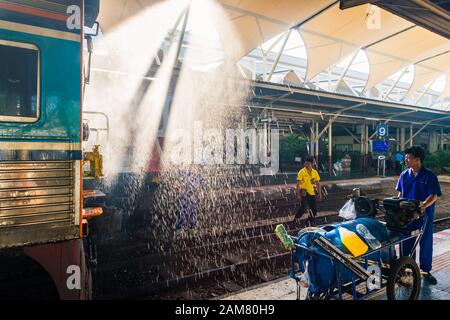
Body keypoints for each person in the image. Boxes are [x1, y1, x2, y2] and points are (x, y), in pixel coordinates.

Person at [396, 146, 442, 285]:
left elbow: (434, 195)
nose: (406, 160)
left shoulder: (429, 175)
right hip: (407, 217)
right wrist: (397, 207)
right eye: (405, 158)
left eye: (408, 158)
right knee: (406, 242)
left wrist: (421, 207)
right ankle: (407, 271)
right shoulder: (404, 175)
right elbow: (400, 194)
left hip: (424, 215)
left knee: (425, 243)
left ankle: (425, 271)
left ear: (417, 159)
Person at [175, 166, 206, 235]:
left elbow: (202, 187)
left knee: (193, 213)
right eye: (192, 168)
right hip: (186, 197)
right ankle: (179, 228)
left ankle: (192, 228)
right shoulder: (186, 175)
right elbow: (180, 184)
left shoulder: (200, 176)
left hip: (195, 198)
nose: (193, 170)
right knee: (183, 213)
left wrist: (197, 193)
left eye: (195, 168)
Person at [294, 158, 321, 223]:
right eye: (305, 163)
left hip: (312, 192)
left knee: (314, 210)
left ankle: (308, 222)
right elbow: (298, 184)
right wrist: (298, 194)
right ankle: (296, 219)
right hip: (303, 191)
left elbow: (318, 183)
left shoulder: (315, 172)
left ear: (312, 164)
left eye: (308, 164)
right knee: (303, 208)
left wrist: (319, 193)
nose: (306, 165)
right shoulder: (301, 172)